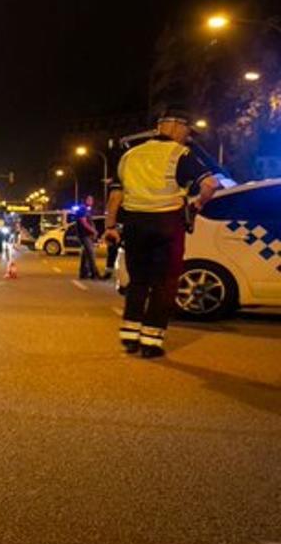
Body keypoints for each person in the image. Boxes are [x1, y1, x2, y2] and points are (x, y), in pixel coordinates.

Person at [104, 106, 218, 358]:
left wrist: (110, 227)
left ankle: (130, 336)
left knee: (138, 282)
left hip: (134, 224)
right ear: (176, 127)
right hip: (167, 224)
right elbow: (211, 184)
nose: (188, 136)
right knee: (164, 283)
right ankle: (151, 342)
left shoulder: (130, 156)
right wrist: (197, 204)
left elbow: (115, 197)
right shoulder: (181, 153)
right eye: (187, 130)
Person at [75, 195, 102, 279]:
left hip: (87, 235)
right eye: (90, 199)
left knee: (85, 254)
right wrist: (93, 231)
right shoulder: (82, 209)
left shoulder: (86, 210)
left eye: (92, 199)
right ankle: (94, 273)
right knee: (91, 254)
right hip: (84, 235)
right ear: (85, 200)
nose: (91, 201)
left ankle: (83, 273)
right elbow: (84, 223)